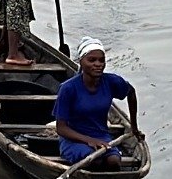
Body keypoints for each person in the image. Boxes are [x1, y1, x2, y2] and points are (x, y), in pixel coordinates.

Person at [54, 38, 140, 168]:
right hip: (73, 140)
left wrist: (134, 127)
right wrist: (88, 140)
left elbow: (131, 92)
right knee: (95, 161)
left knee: (114, 162)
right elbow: (61, 128)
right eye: (92, 60)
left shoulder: (111, 82)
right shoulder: (68, 88)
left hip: (101, 137)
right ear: (81, 62)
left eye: (101, 60)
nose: (98, 64)